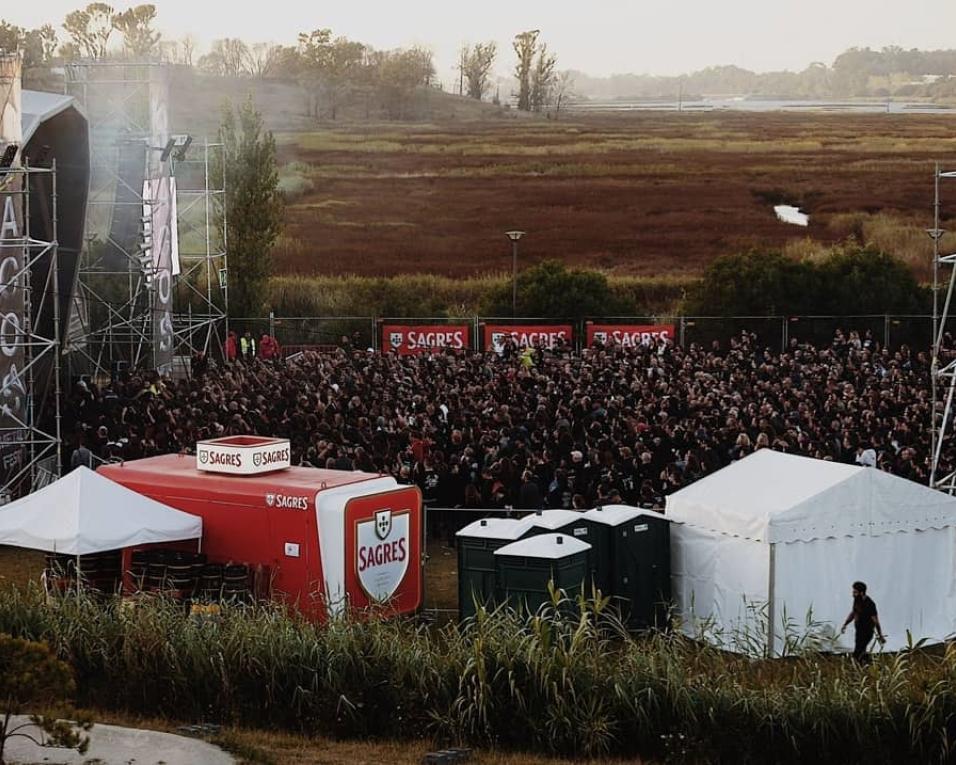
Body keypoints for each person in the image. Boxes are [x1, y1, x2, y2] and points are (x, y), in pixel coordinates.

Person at [840, 580, 886, 664]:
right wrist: (845, 624)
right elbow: (854, 613)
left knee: (858, 651)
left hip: (867, 631)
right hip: (859, 630)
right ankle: (866, 666)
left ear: (862, 592)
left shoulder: (870, 604)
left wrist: (880, 635)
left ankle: (860, 666)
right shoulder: (857, 600)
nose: (853, 594)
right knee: (861, 650)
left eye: (855, 592)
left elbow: (876, 621)